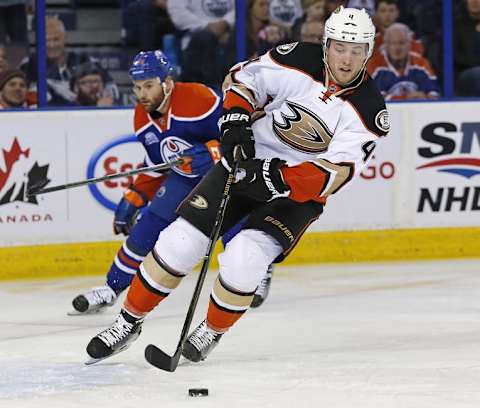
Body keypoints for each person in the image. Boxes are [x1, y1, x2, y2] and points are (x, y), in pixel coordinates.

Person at [85, 6, 389, 364]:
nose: (347, 58)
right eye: (340, 47)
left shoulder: (369, 111)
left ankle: (211, 330)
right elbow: (242, 79)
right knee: (177, 243)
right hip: (243, 162)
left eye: (357, 50)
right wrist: (235, 123)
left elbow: (335, 172)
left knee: (244, 260)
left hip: (293, 196)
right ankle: (128, 322)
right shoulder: (297, 58)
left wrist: (277, 176)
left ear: (368, 51)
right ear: (326, 45)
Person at [72, 50, 273, 318]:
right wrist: (136, 194)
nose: (141, 94)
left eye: (148, 85)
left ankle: (256, 273)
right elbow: (159, 165)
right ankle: (111, 288)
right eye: (137, 87)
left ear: (166, 83)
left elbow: (240, 130)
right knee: (149, 224)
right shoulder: (142, 118)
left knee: (234, 223)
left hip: (226, 171)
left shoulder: (198, 98)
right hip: (185, 178)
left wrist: (212, 151)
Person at [20, 16, 119, 106]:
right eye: (46, 40)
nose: (51, 45)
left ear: (65, 39)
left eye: (56, 39)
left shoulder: (84, 60)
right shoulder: (29, 64)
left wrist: (105, 100)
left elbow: (112, 88)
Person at [367, 23, 440, 100]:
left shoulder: (420, 63)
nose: (397, 48)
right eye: (393, 43)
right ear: (386, 45)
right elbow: (372, 97)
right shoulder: (375, 64)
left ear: (409, 44)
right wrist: (405, 98)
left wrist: (426, 97)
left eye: (401, 43)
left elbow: (434, 92)